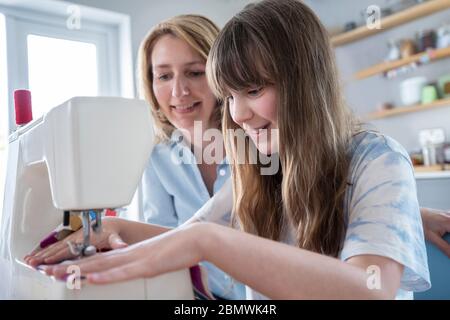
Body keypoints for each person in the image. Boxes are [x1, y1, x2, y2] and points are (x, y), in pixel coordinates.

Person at [26, 1, 450, 299]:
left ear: (305, 82)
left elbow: (369, 291)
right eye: (229, 96)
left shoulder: (378, 160)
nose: (240, 114)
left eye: (252, 89)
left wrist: (208, 241)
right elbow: (183, 237)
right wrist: (102, 230)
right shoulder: (262, 170)